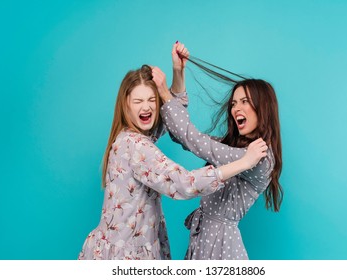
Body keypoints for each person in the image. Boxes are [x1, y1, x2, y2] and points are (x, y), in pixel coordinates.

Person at [78, 43, 269, 260]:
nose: (146, 107)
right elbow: (184, 178)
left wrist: (178, 73)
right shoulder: (136, 146)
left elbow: (175, 125)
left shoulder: (133, 137)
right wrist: (244, 162)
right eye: (138, 101)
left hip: (200, 247)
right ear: (125, 105)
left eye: (152, 100)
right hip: (127, 256)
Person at [159, 54, 283, 260]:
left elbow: (193, 139)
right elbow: (182, 136)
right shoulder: (234, 148)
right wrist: (178, 72)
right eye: (234, 103)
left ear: (264, 108)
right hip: (204, 239)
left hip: (221, 247)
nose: (236, 109)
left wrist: (164, 92)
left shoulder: (260, 156)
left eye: (245, 101)